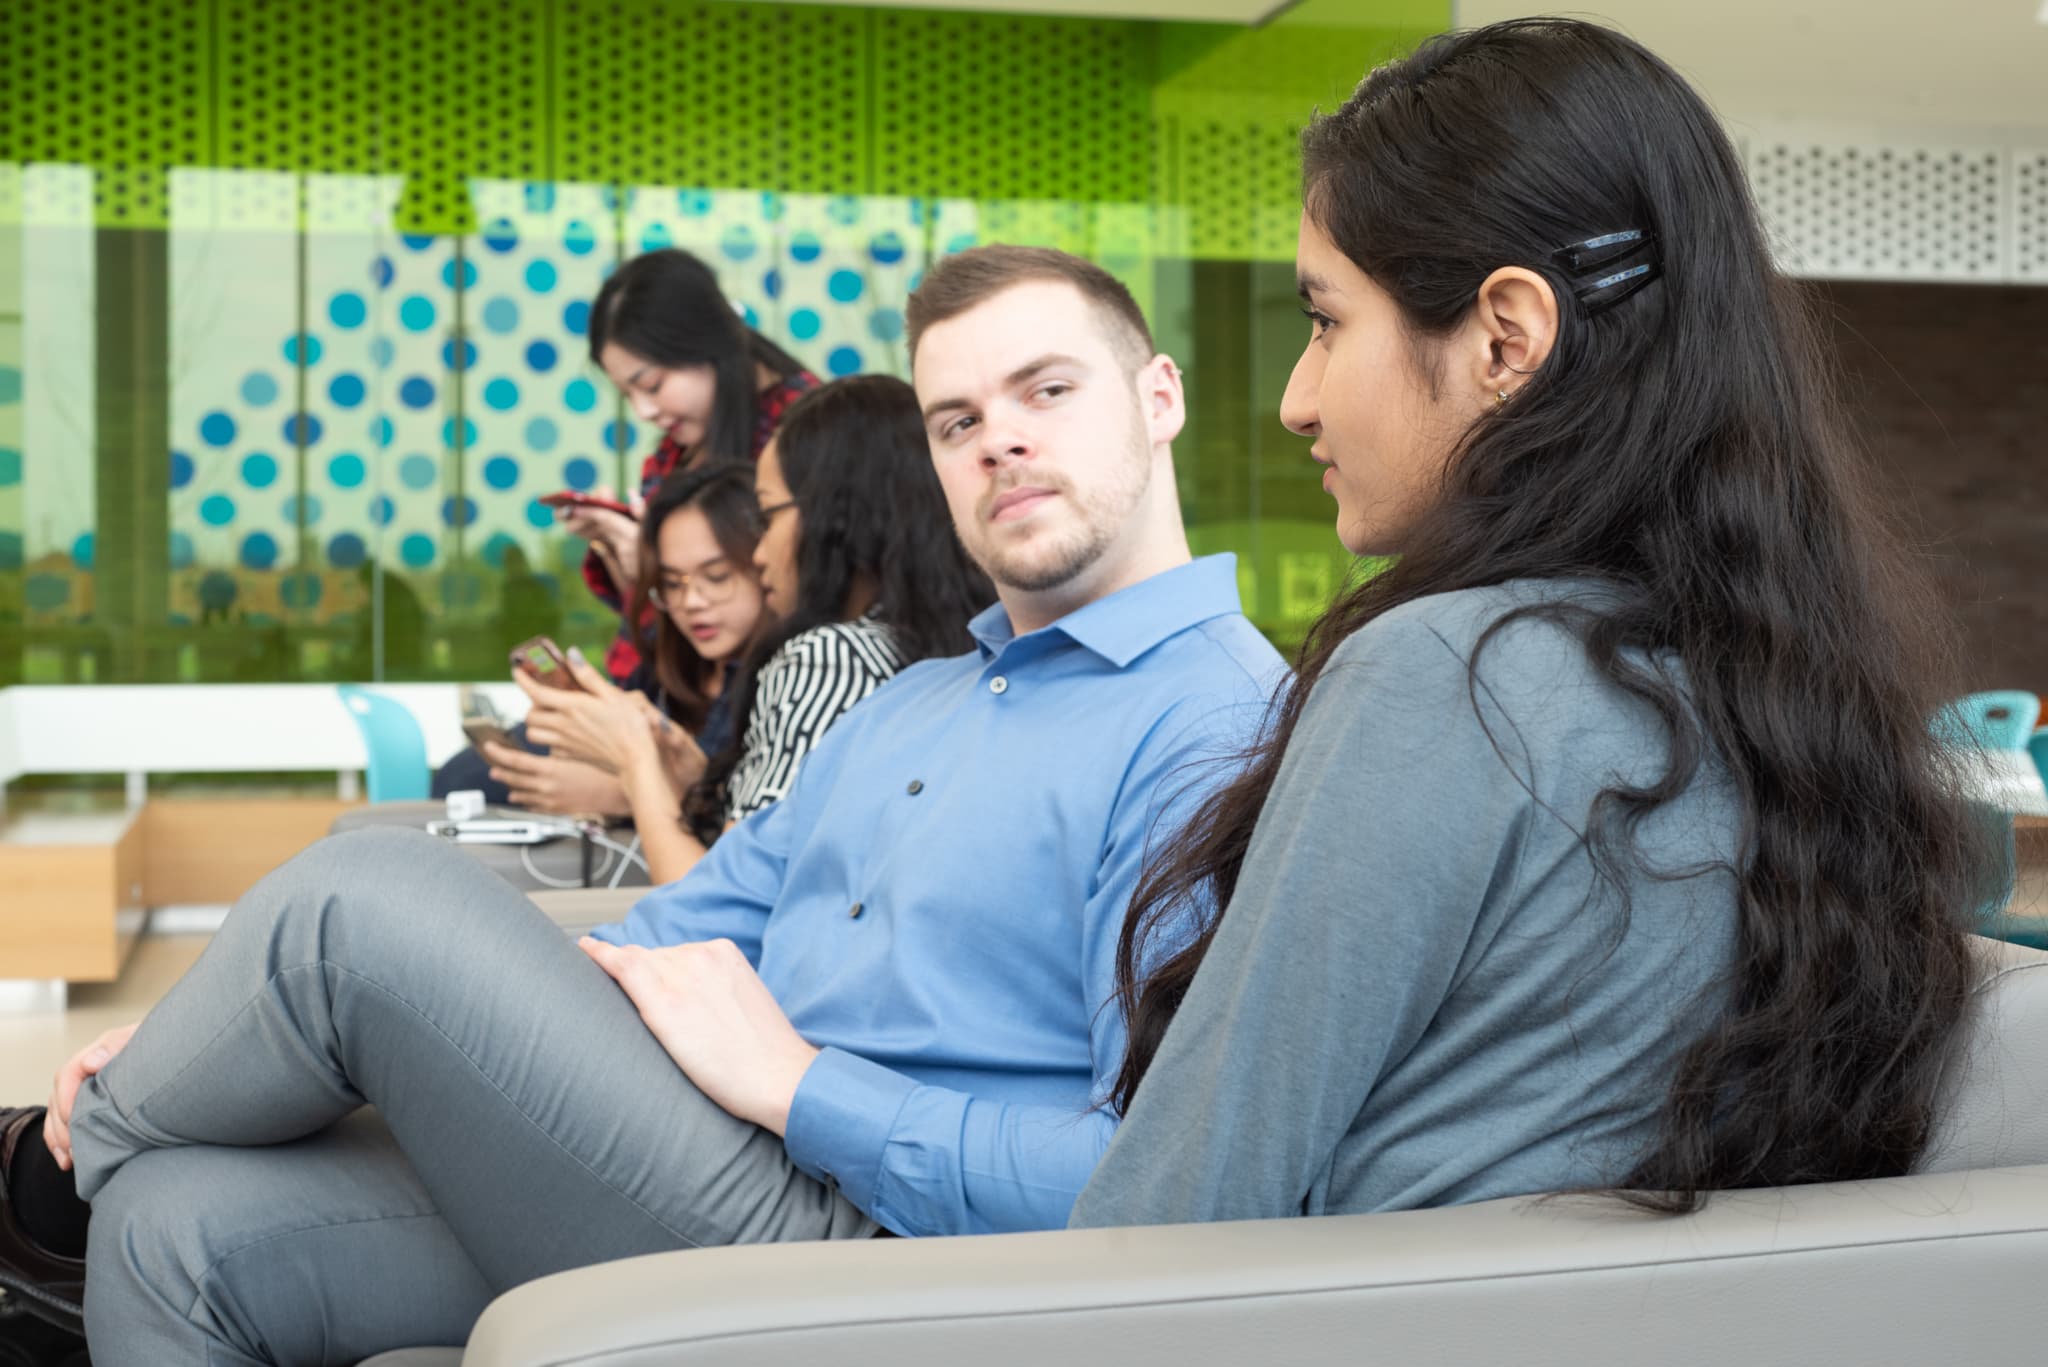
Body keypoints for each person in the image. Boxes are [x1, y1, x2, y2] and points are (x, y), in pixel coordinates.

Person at [0, 245, 1284, 1364]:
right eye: (955, 420)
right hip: (708, 1151)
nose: (998, 437)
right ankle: (96, 1150)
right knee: (176, 1227)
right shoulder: (919, 699)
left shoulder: (1214, 724)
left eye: (1047, 390)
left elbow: (1154, 1182)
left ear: (1157, 396)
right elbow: (666, 932)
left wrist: (800, 1088)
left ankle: (39, 1171)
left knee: (357, 901)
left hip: (879, 1247)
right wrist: (436, 1023)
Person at [1068, 17, 1993, 1231]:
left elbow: (1165, 1221)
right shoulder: (1800, 714)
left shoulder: (1444, 678)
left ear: (1505, 337)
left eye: (1326, 319)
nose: (1297, 398)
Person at [501, 376, 994, 883]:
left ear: (833, 515)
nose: (759, 554)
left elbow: (718, 916)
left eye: (766, 517)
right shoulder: (973, 646)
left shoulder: (831, 659)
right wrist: (696, 779)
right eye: (671, 584)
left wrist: (634, 761)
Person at [432, 249, 817, 805]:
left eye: (652, 384)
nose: (643, 411)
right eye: (627, 393)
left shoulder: (802, 438)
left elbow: (794, 601)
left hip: (729, 704)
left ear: (708, 344)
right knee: (469, 774)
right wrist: (629, 559)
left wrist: (655, 570)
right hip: (665, 686)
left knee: (471, 781)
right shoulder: (676, 452)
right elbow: (667, 617)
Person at [478, 462, 772, 827]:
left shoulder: (794, 676)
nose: (692, 601)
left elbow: (751, 833)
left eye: (716, 577)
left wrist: (624, 794)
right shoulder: (668, 660)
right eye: (673, 584)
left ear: (768, 560)